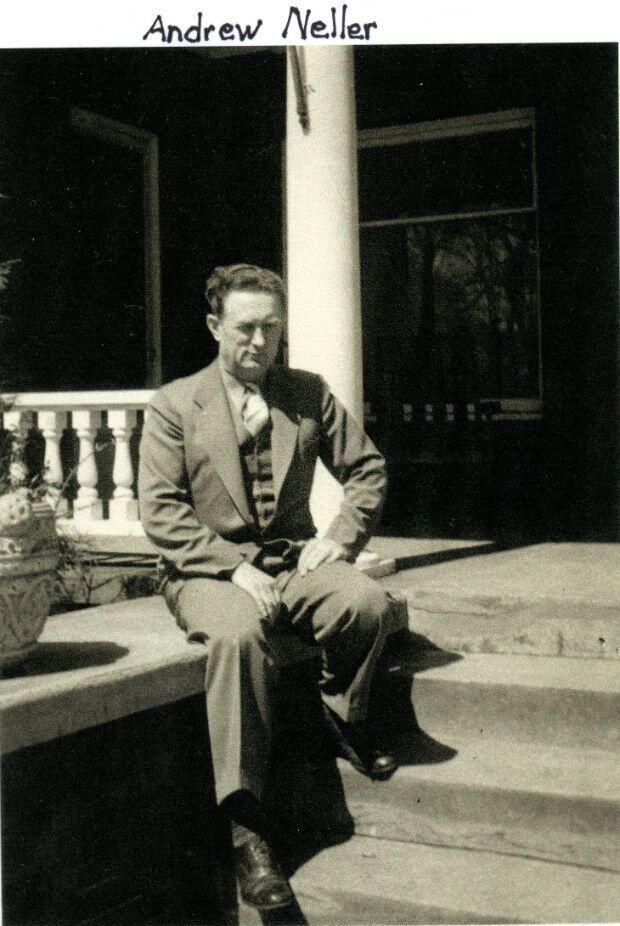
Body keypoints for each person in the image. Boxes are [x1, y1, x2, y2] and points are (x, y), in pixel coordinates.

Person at [138, 264, 398, 912]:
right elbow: (161, 511)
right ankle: (246, 828)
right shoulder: (175, 404)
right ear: (214, 326)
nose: (259, 341)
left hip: (292, 560)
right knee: (238, 636)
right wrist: (230, 566)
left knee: (366, 602)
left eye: (271, 329)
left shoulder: (306, 392)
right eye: (245, 328)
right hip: (204, 569)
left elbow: (367, 468)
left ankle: (339, 716)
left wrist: (340, 538)